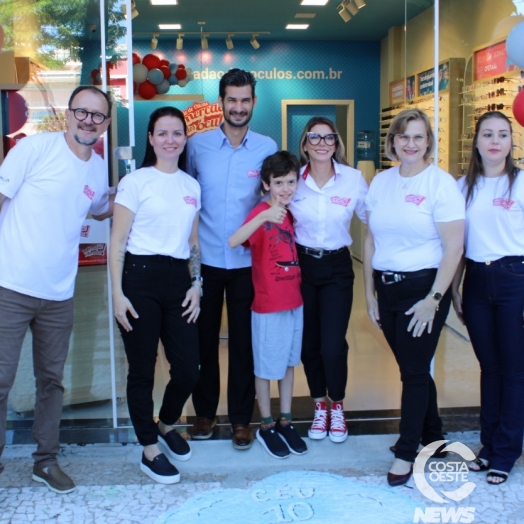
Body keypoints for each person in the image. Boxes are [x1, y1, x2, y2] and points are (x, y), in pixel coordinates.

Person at [0, 85, 114, 493]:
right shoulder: (34, 150)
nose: (88, 120)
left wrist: (135, 194)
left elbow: (99, 206)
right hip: (10, 285)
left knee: (52, 383)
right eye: (81, 112)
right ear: (68, 114)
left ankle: (44, 461)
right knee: (1, 379)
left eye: (97, 115)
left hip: (58, 294)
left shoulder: (97, 167)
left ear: (106, 124)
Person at [363, 108, 464, 486]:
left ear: (428, 142)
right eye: (404, 136)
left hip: (423, 289)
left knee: (414, 372)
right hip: (386, 289)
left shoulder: (440, 184)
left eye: (418, 137)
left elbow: (454, 247)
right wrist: (369, 292)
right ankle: (433, 435)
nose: (410, 143)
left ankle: (407, 453)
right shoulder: (381, 182)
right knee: (413, 366)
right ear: (393, 142)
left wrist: (434, 299)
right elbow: (371, 239)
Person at [186, 68, 277, 449]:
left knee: (244, 343)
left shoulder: (267, 148)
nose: (238, 107)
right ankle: (205, 414)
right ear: (221, 102)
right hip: (205, 261)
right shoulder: (197, 146)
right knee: (202, 342)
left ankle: (242, 418)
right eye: (232, 100)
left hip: (246, 263)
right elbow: (187, 196)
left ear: (254, 103)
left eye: (245, 100)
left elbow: (274, 200)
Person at [110, 107, 201, 484]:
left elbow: (193, 242)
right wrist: (116, 294)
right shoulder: (136, 181)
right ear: (150, 138)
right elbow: (117, 241)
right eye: (162, 133)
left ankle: (165, 423)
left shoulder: (190, 186)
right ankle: (148, 448)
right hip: (139, 278)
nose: (170, 140)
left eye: (176, 133)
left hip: (178, 280)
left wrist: (197, 284)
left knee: (187, 367)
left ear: (184, 138)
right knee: (142, 370)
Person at [451, 111, 524, 485]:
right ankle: (488, 445)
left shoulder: (522, 184)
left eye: (503, 134)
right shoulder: (463, 187)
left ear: (511, 142)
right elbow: (458, 245)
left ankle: (507, 452)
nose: (495, 141)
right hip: (477, 281)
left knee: (513, 372)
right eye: (487, 134)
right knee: (489, 368)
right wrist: (455, 288)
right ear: (476, 141)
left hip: (515, 278)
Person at [288, 117, 367, 444]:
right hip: (301, 267)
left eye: (328, 138)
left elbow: (375, 219)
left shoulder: (353, 179)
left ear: (337, 143)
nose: (322, 143)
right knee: (309, 344)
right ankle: (319, 404)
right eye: (314, 137)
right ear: (305, 144)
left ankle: (337, 404)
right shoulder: (294, 180)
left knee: (333, 346)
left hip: (336, 267)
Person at [228, 151, 307, 459]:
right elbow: (234, 241)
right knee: (265, 367)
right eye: (278, 183)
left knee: (288, 363)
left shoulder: (290, 213)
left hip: (293, 301)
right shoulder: (261, 212)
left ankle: (285, 420)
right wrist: (262, 215)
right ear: (265, 184)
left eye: (290, 182)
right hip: (268, 304)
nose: (285, 189)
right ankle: (265, 424)